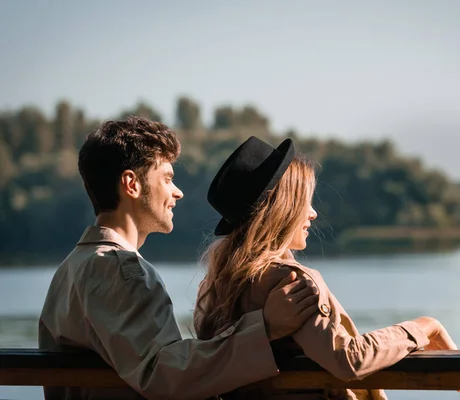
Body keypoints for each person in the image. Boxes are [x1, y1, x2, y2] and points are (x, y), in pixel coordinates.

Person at [38, 117, 320, 400]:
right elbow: (163, 375)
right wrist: (266, 327)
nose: (178, 192)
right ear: (131, 184)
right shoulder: (121, 270)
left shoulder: (73, 266)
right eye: (167, 178)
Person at [194, 136, 458, 399]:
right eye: (305, 202)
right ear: (284, 209)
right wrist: (422, 328)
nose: (313, 213)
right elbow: (348, 358)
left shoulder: (215, 288)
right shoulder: (291, 283)